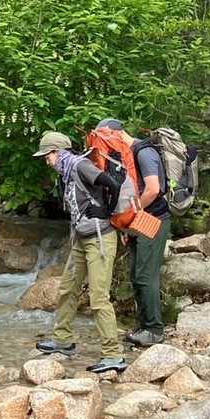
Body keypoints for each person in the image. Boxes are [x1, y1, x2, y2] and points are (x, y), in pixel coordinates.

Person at [31, 132, 127, 375]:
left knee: (98, 297)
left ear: (57, 152)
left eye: (47, 156)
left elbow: (112, 184)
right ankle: (62, 340)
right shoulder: (65, 173)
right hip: (81, 239)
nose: (46, 161)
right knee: (67, 288)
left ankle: (113, 354)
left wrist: (105, 211)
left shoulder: (81, 166)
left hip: (100, 239)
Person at [97, 118, 169, 349]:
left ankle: (154, 330)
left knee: (146, 276)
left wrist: (130, 214)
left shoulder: (144, 152)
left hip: (154, 220)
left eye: (105, 137)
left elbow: (153, 189)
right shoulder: (126, 154)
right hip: (139, 220)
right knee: (137, 276)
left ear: (117, 134)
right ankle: (144, 326)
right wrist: (127, 225)